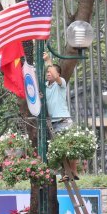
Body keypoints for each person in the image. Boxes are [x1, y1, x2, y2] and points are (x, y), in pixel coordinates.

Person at [42, 51, 78, 180]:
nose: (48, 74)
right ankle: (66, 173)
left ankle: (73, 171)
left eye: (50, 72)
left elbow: (56, 76)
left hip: (63, 120)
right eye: (47, 72)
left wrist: (48, 61)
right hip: (53, 123)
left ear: (57, 74)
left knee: (70, 146)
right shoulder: (45, 87)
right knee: (60, 150)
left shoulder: (61, 83)